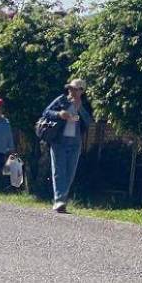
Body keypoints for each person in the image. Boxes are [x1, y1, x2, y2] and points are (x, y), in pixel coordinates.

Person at [41, 78, 93, 213]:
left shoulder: (85, 104)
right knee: (59, 171)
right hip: (59, 140)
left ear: (81, 91)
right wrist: (59, 114)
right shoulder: (61, 100)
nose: (71, 91)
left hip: (75, 142)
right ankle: (59, 201)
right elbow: (46, 112)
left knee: (69, 173)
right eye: (70, 88)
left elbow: (88, 121)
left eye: (75, 89)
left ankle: (62, 199)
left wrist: (79, 108)